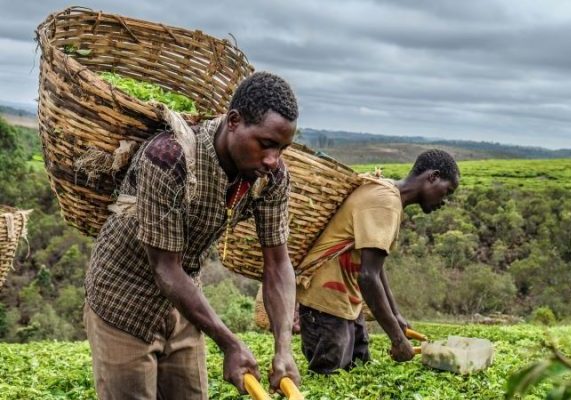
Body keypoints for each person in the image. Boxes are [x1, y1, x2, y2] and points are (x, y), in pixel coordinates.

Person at [83, 71, 300, 398]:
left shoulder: (270, 177)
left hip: (183, 303)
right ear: (234, 121)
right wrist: (230, 343)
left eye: (282, 148)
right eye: (266, 144)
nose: (273, 159)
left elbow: (278, 265)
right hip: (123, 298)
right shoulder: (170, 158)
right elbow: (165, 267)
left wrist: (284, 349)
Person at [296, 149, 460, 373]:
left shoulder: (389, 196)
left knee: (359, 369)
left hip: (346, 300)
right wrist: (397, 339)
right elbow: (368, 277)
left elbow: (376, 268)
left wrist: (396, 317)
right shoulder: (385, 203)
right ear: (432, 176)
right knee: (328, 377)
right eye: (447, 191)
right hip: (325, 299)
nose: (445, 201)